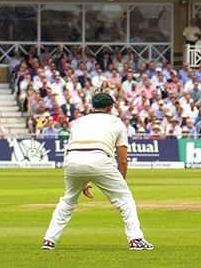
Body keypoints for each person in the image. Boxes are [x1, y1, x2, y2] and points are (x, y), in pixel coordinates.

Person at [42, 93, 152, 251]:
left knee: (68, 201)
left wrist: (83, 180)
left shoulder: (79, 121)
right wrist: (121, 182)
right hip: (99, 158)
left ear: (93, 106)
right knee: (125, 198)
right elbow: (123, 160)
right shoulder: (116, 122)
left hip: (72, 160)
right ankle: (136, 239)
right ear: (110, 107)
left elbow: (72, 149)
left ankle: (49, 240)